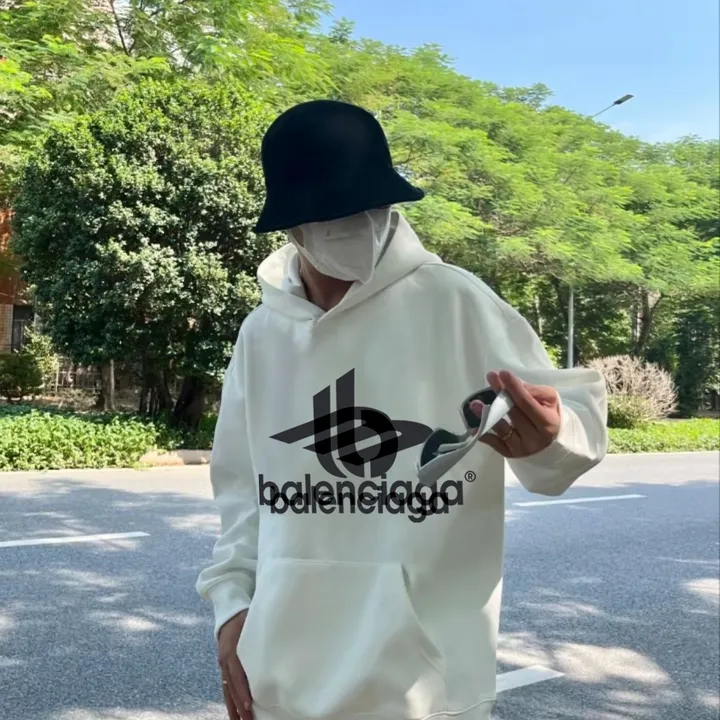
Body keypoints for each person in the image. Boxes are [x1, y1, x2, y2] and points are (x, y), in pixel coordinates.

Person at [196, 99, 608, 720]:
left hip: (426, 686)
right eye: (337, 212)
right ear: (292, 225)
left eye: (373, 204)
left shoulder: (455, 301)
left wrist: (552, 437)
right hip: (282, 678)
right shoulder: (263, 333)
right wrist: (231, 608)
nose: (360, 224)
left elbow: (573, 420)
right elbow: (241, 491)